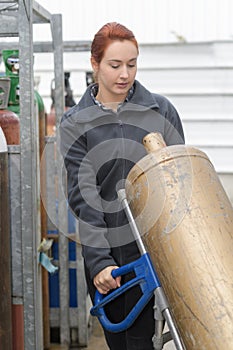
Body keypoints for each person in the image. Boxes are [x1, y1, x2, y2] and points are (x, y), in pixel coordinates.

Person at [59, 22, 185, 350]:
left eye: (132, 64)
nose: (125, 74)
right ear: (95, 63)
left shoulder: (161, 110)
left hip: (162, 251)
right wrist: (100, 262)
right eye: (115, 65)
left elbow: (180, 183)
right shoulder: (76, 123)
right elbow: (83, 197)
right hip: (115, 256)